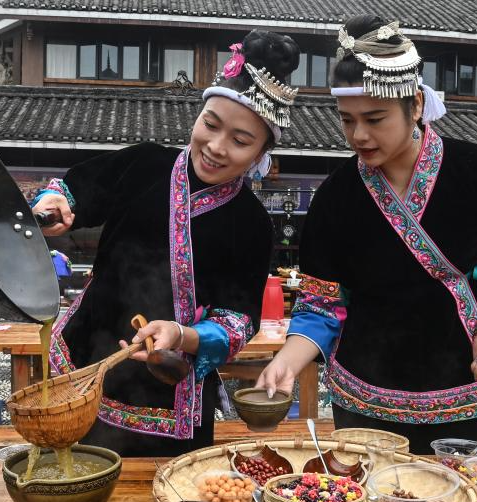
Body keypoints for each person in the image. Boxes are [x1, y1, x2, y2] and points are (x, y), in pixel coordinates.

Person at [253, 16, 477, 454]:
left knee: (455, 491)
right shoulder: (335, 196)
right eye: (347, 120)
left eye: (374, 118)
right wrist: (287, 362)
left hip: (462, 374)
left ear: (416, 105)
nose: (359, 135)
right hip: (364, 387)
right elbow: (320, 302)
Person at [30, 30, 301, 457]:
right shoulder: (144, 164)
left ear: (262, 153)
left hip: (172, 389)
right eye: (210, 124)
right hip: (83, 361)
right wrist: (57, 201)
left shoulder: (251, 222)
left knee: (168, 489)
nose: (216, 147)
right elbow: (77, 190)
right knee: (70, 466)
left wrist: (182, 334)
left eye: (240, 140)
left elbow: (237, 320)